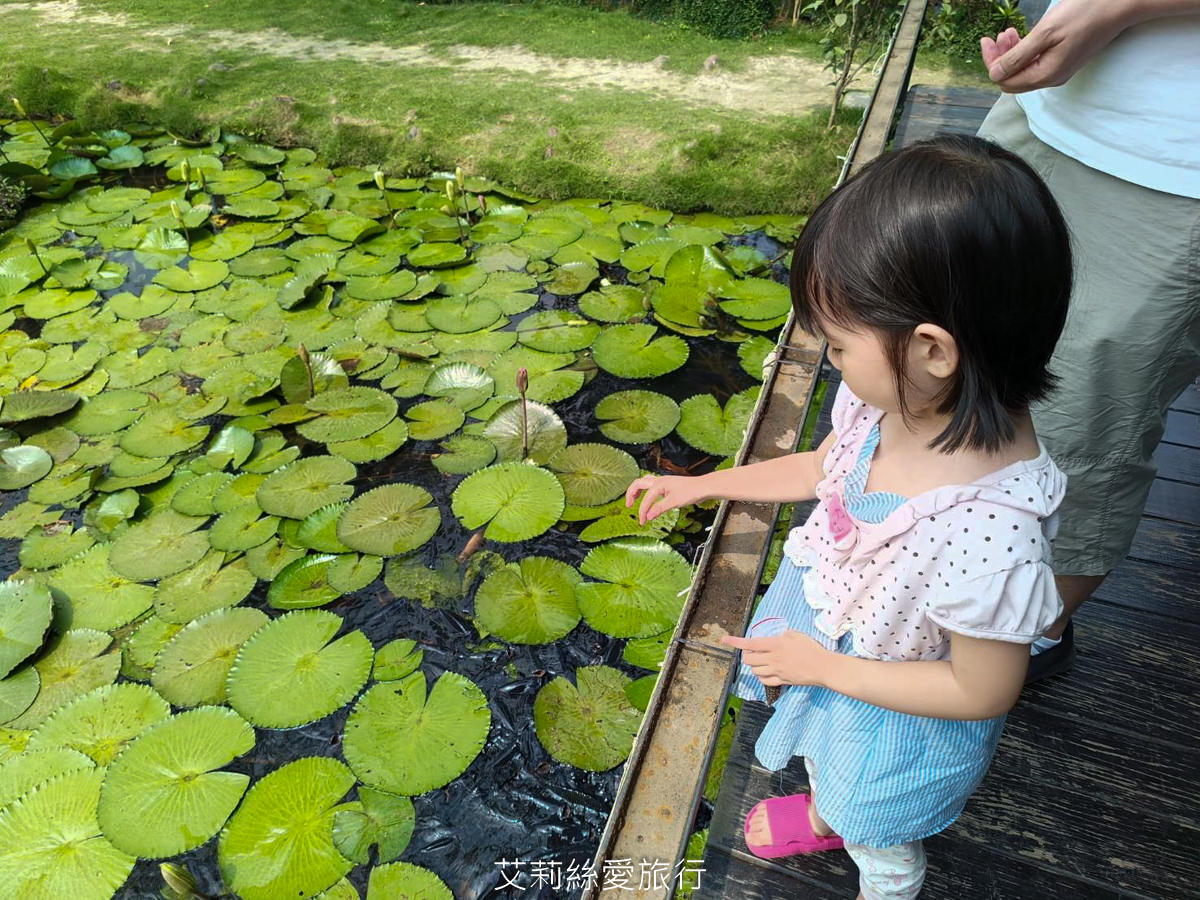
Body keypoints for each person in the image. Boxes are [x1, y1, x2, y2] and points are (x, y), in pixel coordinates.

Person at [625, 136, 1072, 899]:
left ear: (933, 348)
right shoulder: (890, 401)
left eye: (836, 341)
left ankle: (872, 854)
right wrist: (710, 485)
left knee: (880, 826)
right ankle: (831, 812)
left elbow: (983, 689)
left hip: (898, 708)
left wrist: (822, 667)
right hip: (839, 634)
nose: (827, 356)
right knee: (832, 760)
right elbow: (822, 470)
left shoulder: (990, 529)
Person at [975, 0, 1200, 680]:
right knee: (946, 362)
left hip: (1173, 165)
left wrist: (1120, 9)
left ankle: (1023, 644)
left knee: (1078, 431)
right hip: (1048, 107)